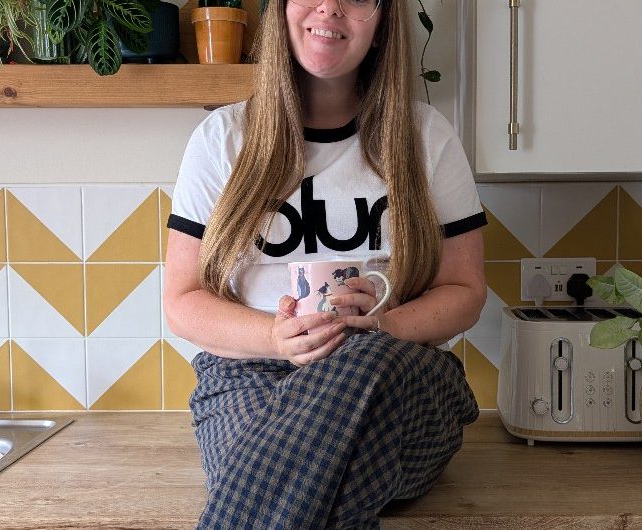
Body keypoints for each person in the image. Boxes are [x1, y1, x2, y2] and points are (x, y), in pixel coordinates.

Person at [163, 0, 487, 527]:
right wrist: (275, 338)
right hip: (248, 377)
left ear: (381, 23)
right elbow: (182, 302)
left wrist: (381, 325)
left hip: (399, 380)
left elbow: (465, 289)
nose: (330, 6)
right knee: (282, 475)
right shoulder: (223, 140)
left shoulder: (426, 137)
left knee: (361, 358)